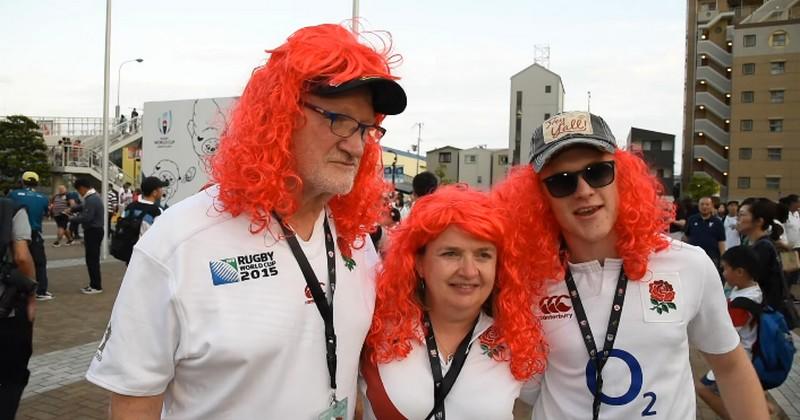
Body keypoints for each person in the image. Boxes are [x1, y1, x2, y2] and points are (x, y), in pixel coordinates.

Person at [85, 23, 407, 419]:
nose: (355, 145)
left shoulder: (355, 241)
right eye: (339, 119)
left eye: (366, 129)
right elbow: (135, 401)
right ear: (281, 115)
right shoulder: (180, 241)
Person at [494, 111, 768, 419]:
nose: (584, 191)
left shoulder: (688, 264)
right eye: (561, 182)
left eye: (598, 172)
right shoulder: (525, 281)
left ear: (621, 177)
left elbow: (730, 367)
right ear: (540, 198)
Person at [361, 185, 545, 419]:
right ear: (418, 263)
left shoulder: (518, 341)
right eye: (451, 254)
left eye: (483, 255)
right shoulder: (373, 327)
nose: (469, 271)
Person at [697, 245, 766, 419]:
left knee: (705, 390)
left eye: (725, 269)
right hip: (743, 353)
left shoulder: (742, 302)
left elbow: (725, 332)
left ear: (740, 272)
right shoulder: (751, 289)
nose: (723, 273)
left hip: (738, 356)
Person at [0, 197, 36, 418]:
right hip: (6, 309)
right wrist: (31, 293)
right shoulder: (10, 208)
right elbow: (22, 257)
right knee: (12, 376)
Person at [736, 199, 798, 329]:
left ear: (759, 221)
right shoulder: (757, 244)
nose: (738, 219)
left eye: (742, 215)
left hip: (764, 314)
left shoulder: (762, 248)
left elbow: (753, 282)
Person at [8, 172, 52, 301]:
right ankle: (41, 291)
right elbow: (46, 212)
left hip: (16, 232)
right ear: (37, 183)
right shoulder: (43, 197)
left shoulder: (14, 194)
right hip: (35, 231)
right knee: (39, 263)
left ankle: (17, 288)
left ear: (22, 181)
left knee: (16, 260)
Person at [69, 178, 105, 294]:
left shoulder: (91, 199)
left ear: (82, 188)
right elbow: (83, 207)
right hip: (95, 231)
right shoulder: (92, 197)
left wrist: (71, 218)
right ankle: (94, 284)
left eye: (79, 190)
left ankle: (96, 286)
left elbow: (87, 217)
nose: (79, 193)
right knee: (92, 259)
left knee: (92, 260)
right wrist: (73, 209)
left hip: (93, 231)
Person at [684, 196, 726, 266]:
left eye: (707, 204)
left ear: (711, 206)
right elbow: (686, 237)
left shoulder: (718, 222)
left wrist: (723, 259)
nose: (704, 206)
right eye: (702, 204)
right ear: (698, 206)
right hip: (693, 257)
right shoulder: (691, 219)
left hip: (712, 257)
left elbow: (721, 242)